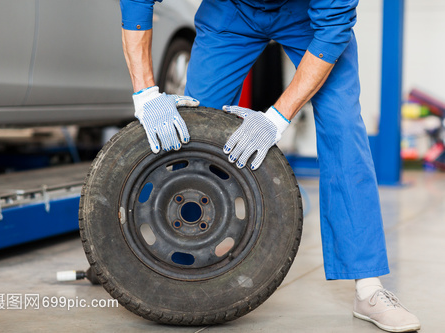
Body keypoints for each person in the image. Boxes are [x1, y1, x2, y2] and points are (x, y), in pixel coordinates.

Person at [120, 0, 421, 332]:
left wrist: (277, 118)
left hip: (309, 18)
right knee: (195, 130)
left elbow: (333, 27)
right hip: (230, 10)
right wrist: (145, 93)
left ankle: (368, 288)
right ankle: (163, 261)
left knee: (342, 124)